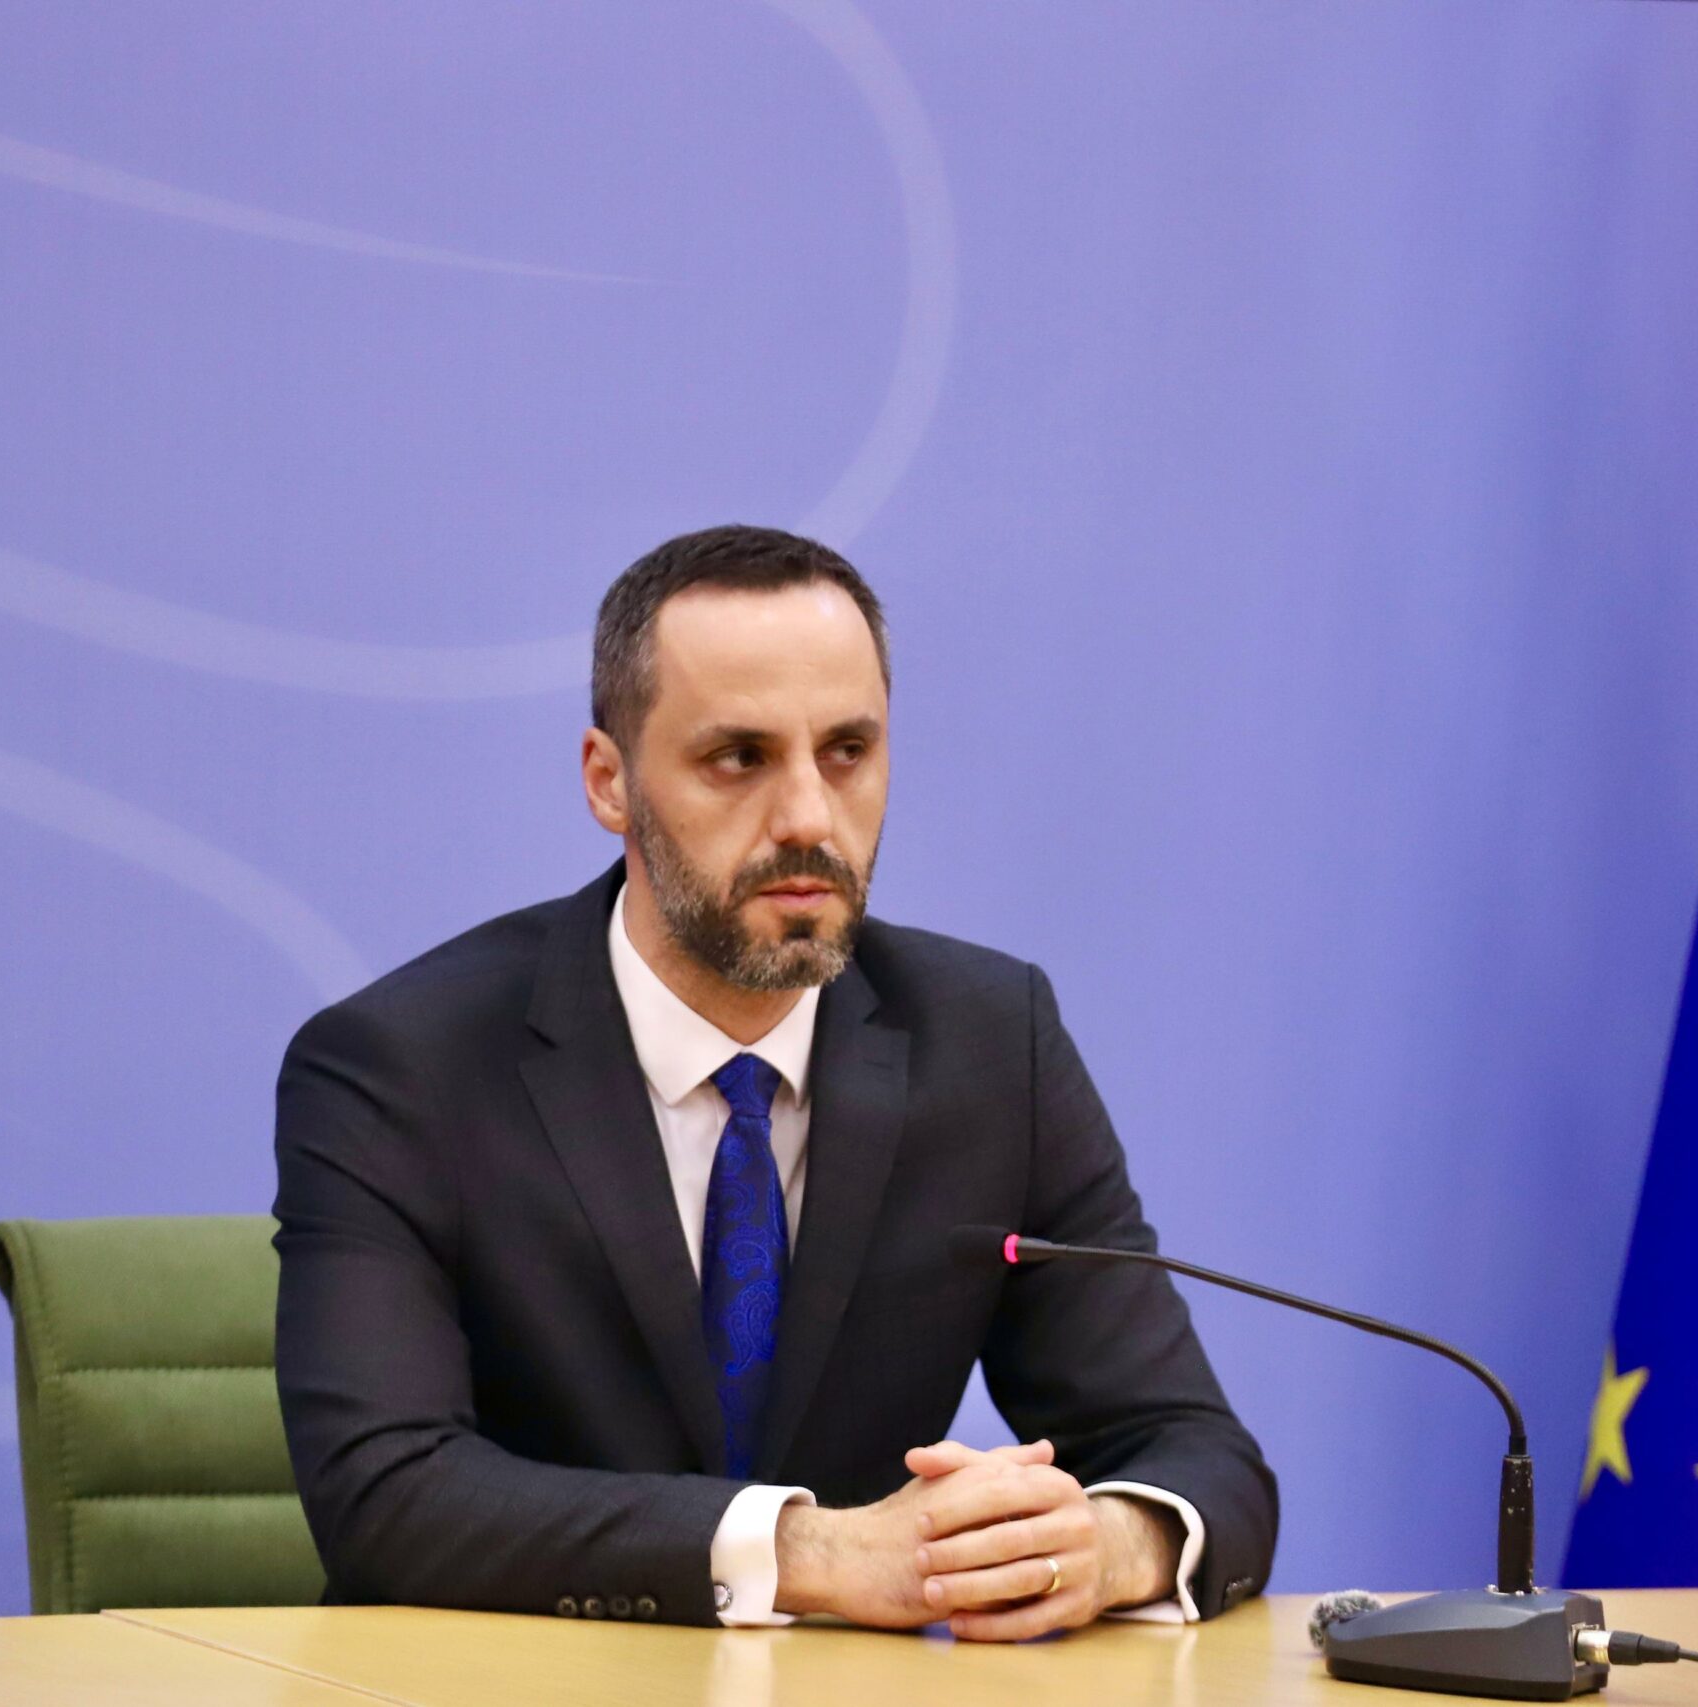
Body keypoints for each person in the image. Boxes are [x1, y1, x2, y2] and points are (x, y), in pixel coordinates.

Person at [272, 525, 1277, 1640]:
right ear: (609, 780)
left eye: (846, 751)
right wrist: (810, 1554)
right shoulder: (402, 1066)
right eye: (739, 758)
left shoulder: (993, 1043)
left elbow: (1196, 1451)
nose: (806, 816)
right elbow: (386, 1493)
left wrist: (1107, 1543)